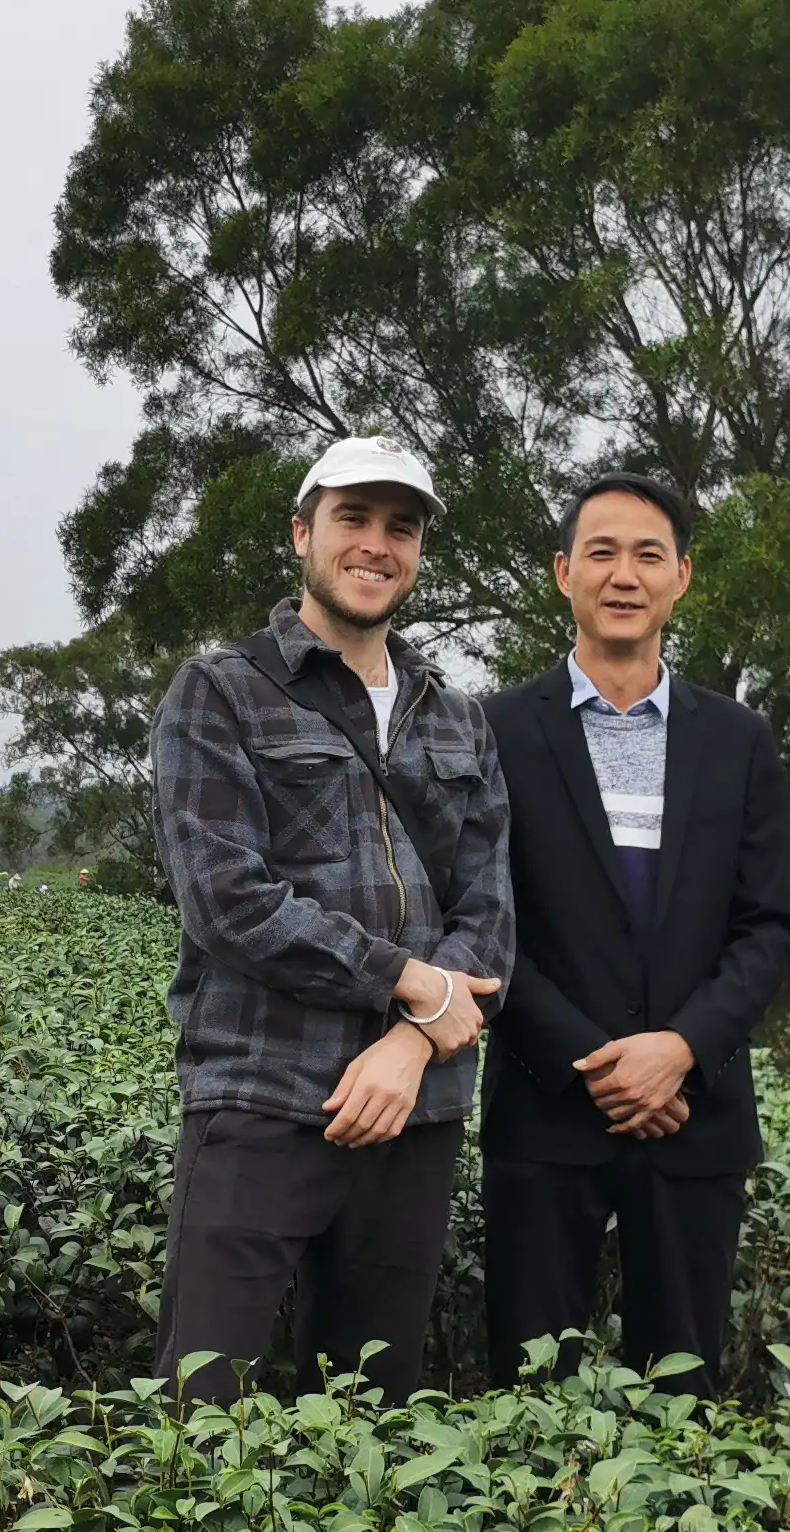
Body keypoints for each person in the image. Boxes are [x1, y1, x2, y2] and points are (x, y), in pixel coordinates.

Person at [148, 435, 515, 1402]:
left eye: (402, 527)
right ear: (303, 533)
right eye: (353, 518)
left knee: (375, 1424)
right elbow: (228, 897)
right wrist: (411, 984)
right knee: (200, 1405)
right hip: (263, 1094)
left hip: (418, 1112)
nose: (376, 545)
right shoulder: (221, 691)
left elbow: (490, 908)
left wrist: (409, 1046)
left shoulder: (457, 717)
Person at [482, 470, 790, 1388]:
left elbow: (768, 926)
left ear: (682, 578)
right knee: (526, 1401)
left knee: (684, 1401)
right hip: (545, 1118)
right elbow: (484, 923)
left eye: (648, 555)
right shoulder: (493, 730)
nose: (625, 574)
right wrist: (600, 1062)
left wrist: (680, 1050)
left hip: (694, 1121)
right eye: (603, 552)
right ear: (563, 572)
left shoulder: (739, 740)